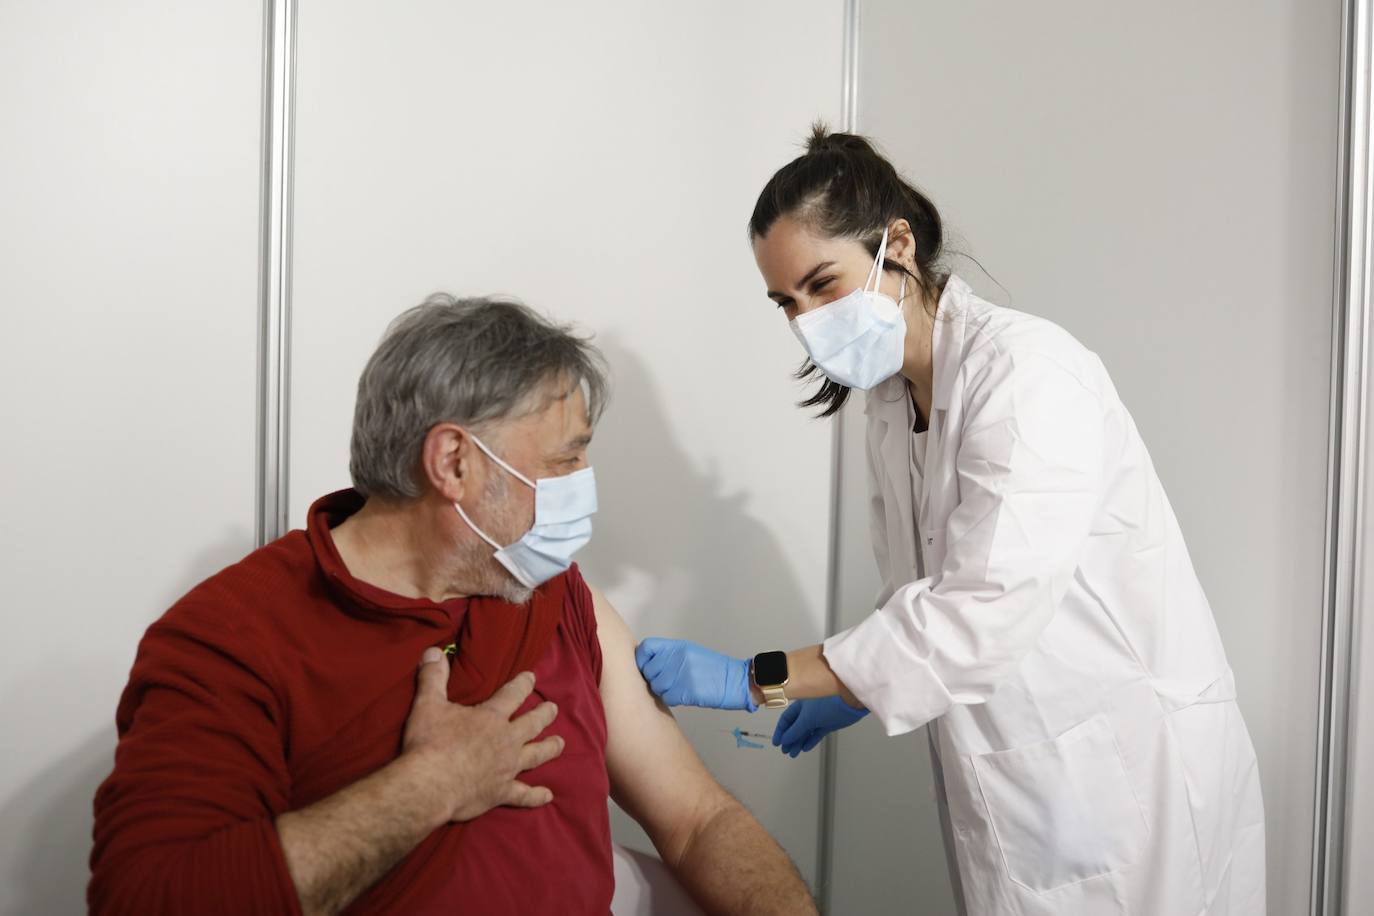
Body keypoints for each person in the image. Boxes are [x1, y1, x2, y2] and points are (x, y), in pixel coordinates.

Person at [635, 126, 1266, 915]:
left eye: (822, 284)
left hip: (1131, 782)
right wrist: (854, 689)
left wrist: (755, 678)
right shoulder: (892, 405)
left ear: (896, 245)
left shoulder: (1027, 373)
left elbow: (978, 611)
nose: (806, 322)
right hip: (1022, 782)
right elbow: (924, 597)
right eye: (786, 302)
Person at [89, 296, 816, 916]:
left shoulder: (550, 589)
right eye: (565, 458)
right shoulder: (236, 637)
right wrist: (432, 784)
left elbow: (698, 821)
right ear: (455, 464)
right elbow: (148, 897)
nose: (584, 481)